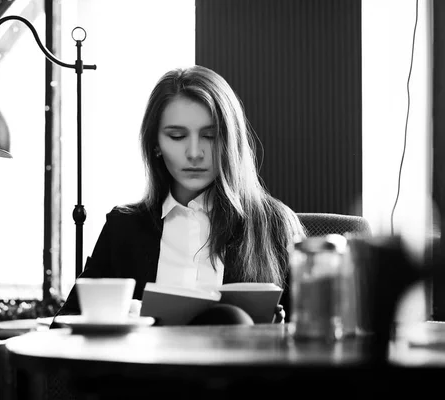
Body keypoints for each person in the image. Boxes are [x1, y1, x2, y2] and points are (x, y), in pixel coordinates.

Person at [53, 65, 306, 325]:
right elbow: (62, 328)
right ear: (156, 146)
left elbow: (317, 345)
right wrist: (119, 320)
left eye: (210, 136)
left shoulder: (275, 224)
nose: (194, 152)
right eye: (177, 136)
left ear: (231, 142)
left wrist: (280, 333)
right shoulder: (124, 227)